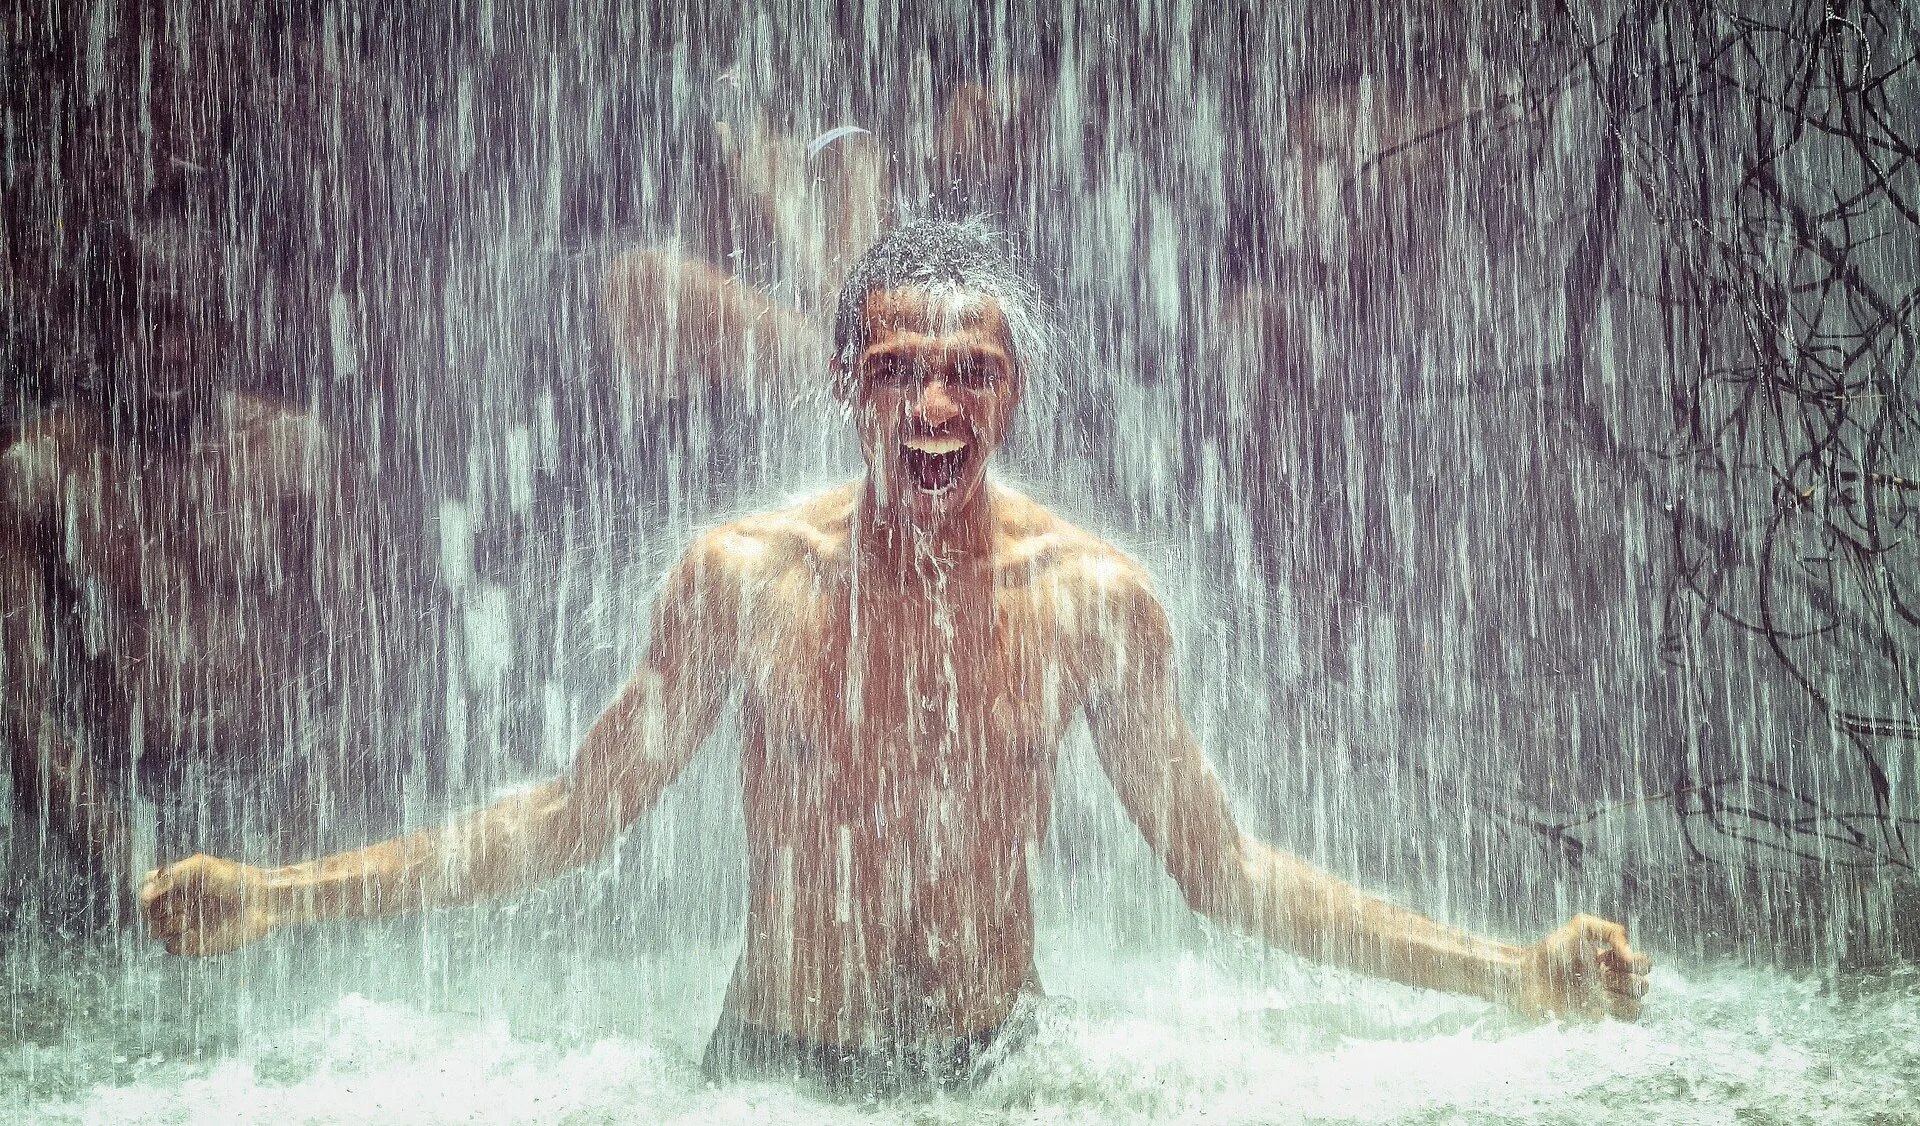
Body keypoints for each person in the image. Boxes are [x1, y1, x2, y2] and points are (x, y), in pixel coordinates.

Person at [139, 219, 1651, 1094]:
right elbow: (563, 816)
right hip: (774, 1080)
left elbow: (1229, 868)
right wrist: (284, 893)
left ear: (1015, 391)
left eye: (970, 371)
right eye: (899, 370)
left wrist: (1506, 968)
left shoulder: (1091, 599)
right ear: (845, 388)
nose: (936, 402)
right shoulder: (744, 578)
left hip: (1007, 1077)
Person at [0, 221, 390, 922]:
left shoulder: (296, 459)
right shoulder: (43, 476)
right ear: (101, 327)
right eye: (145, 320)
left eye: (191, 322)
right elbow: (23, 709)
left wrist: (273, 876)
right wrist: (137, 873)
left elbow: (367, 683)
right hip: (113, 803)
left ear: (228, 326)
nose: (168, 349)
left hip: (275, 788)